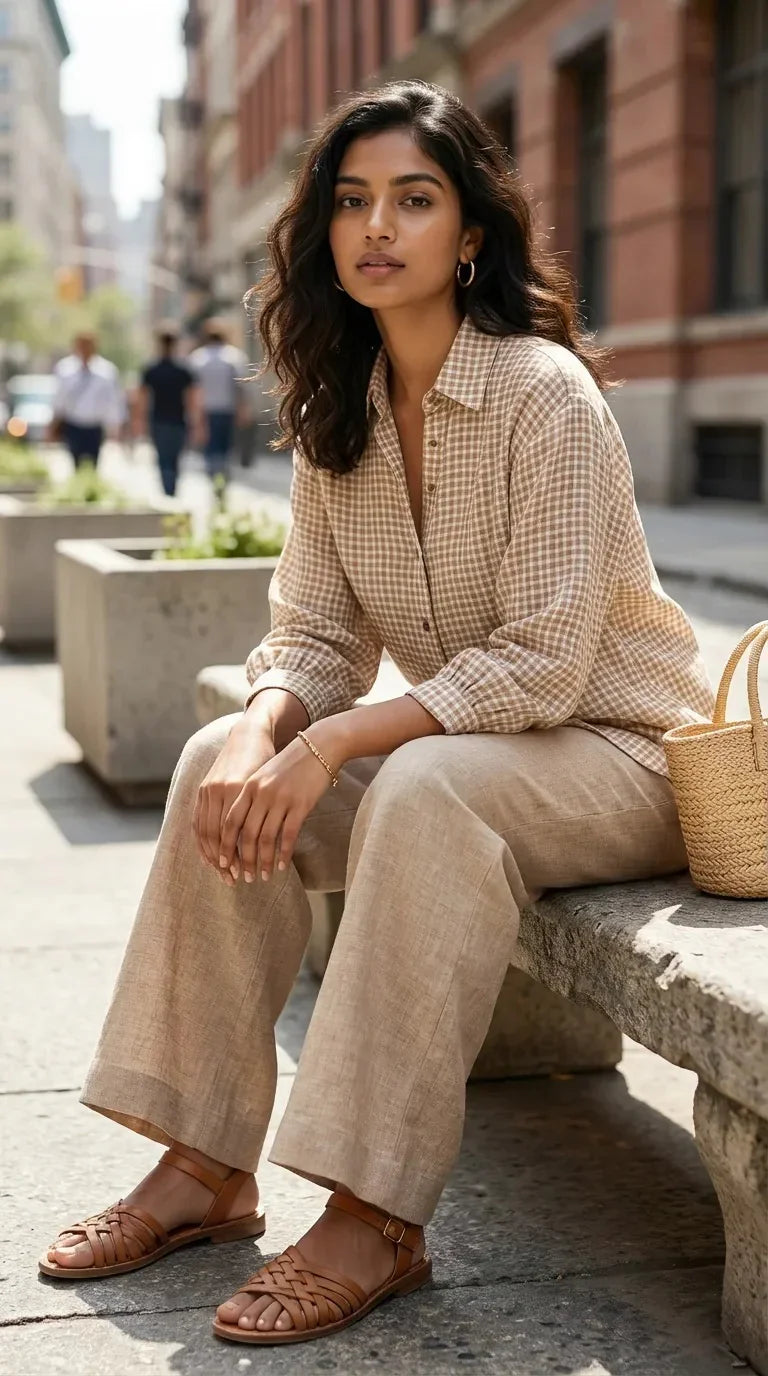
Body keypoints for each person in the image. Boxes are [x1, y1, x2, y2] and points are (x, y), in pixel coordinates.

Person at [40, 82, 715, 1349]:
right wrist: (264, 728)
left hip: (625, 757)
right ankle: (204, 1165)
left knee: (421, 784)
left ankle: (374, 1211)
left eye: (415, 198)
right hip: (478, 748)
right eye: (352, 201)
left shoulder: (543, 393)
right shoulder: (334, 412)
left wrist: (338, 738)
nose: (377, 227)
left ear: (471, 234)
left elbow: (546, 668)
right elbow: (318, 631)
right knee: (207, 763)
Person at [134, 325, 204, 497]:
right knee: (175, 457)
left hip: (158, 419)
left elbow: (141, 399)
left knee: (162, 456)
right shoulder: (183, 370)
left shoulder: (151, 369)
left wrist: (139, 421)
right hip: (178, 419)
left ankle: (167, 490)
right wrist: (196, 422)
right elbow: (192, 399)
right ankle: (171, 489)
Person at [49, 331, 125, 468]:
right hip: (73, 424)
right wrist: (53, 424)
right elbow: (59, 399)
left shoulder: (106, 371)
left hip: (95, 425)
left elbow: (113, 401)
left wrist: (115, 427)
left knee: (93, 462)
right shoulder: (65, 369)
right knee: (75, 461)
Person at [189, 318, 249, 482]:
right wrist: (243, 410)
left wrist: (194, 415)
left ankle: (214, 476)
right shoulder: (234, 357)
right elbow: (240, 387)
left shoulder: (198, 358)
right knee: (226, 445)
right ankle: (222, 476)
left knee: (210, 446)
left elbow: (194, 390)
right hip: (227, 408)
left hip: (206, 409)